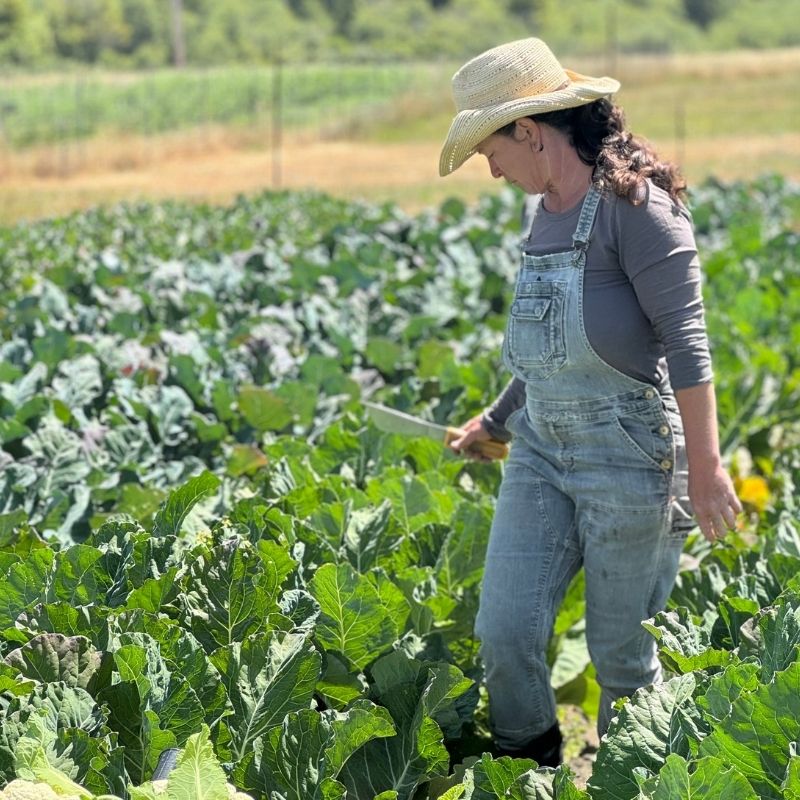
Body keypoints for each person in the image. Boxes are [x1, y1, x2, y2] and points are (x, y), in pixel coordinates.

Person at [439, 37, 742, 766]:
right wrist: (498, 418)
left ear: (529, 131)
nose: (489, 167)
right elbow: (547, 356)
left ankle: (629, 777)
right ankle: (529, 770)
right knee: (504, 631)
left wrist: (706, 468)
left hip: (631, 458)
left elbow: (688, 346)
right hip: (542, 452)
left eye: (490, 146)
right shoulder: (539, 213)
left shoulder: (638, 209)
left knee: (622, 658)